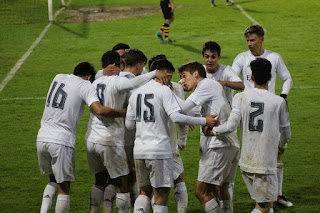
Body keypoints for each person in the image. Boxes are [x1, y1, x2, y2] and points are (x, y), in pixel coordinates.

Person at [126, 59, 218, 213]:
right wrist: (204, 120)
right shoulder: (164, 91)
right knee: (161, 195)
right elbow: (176, 117)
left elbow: (129, 125)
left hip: (139, 150)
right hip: (159, 150)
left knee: (145, 192)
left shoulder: (136, 93)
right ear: (166, 73)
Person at [86, 51, 171, 213]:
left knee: (101, 180)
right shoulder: (121, 82)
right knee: (124, 182)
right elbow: (132, 88)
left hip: (92, 138)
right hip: (118, 139)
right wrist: (154, 74)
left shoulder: (97, 80)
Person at [37, 62, 126, 213]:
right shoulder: (85, 85)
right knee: (64, 188)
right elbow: (99, 110)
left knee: (53, 180)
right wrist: (123, 113)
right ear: (89, 77)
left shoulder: (58, 77)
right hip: (61, 140)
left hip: (42, 137)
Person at [205, 58, 291, 213]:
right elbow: (286, 132)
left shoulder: (240, 97)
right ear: (270, 77)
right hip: (265, 163)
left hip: (246, 161)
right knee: (264, 206)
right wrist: (281, 145)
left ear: (251, 77)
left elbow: (230, 126)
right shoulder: (279, 102)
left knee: (266, 203)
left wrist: (213, 131)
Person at [232, 24, 293, 207]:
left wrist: (282, 96)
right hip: (249, 111)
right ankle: (263, 199)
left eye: (252, 40)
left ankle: (276, 195)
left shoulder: (274, 58)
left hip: (269, 110)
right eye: (247, 40)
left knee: (275, 153)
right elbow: (233, 78)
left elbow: (287, 78)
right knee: (253, 151)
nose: (249, 44)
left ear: (261, 39)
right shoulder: (241, 58)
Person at [179, 62, 240, 213]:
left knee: (201, 193)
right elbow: (192, 113)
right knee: (222, 188)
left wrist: (171, 90)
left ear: (196, 74)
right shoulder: (208, 89)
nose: (183, 81)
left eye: (184, 77)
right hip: (230, 144)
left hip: (218, 145)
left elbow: (180, 110)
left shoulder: (205, 85)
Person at [149, 56, 189, 213]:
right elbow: (182, 116)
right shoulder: (172, 89)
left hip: (152, 143)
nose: (170, 77)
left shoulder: (145, 89)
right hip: (164, 143)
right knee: (169, 181)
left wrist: (183, 140)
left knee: (158, 183)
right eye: (169, 73)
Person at [118, 49, 149, 207]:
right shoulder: (134, 86)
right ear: (138, 65)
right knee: (137, 177)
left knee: (119, 180)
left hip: (111, 137)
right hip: (130, 137)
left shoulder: (113, 78)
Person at [202, 41, 244, 105]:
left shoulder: (226, 70)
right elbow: (183, 83)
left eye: (213, 57)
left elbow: (241, 86)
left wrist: (225, 83)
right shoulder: (199, 71)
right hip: (204, 112)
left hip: (225, 111)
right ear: (203, 57)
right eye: (207, 57)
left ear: (218, 57)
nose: (209, 60)